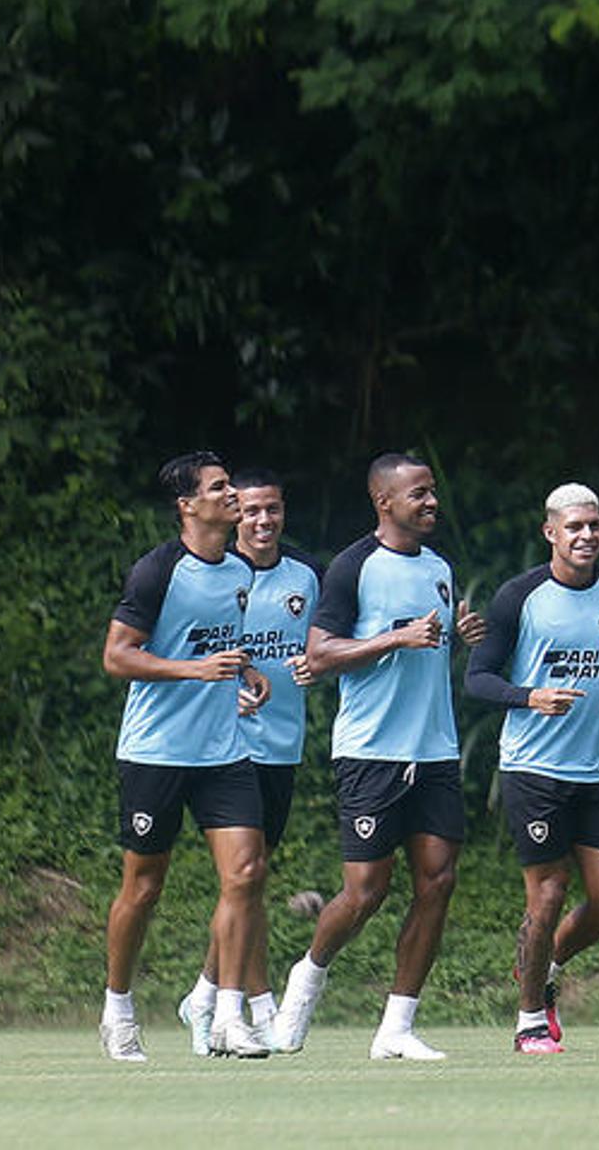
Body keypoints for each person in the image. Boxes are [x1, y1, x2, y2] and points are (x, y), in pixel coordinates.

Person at [271, 453, 487, 1060]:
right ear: (383, 502)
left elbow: (427, 646)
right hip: (371, 751)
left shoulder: (441, 567)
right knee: (365, 891)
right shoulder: (353, 566)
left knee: (438, 881)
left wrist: (458, 637)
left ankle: (396, 1027)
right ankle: (306, 977)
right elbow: (318, 654)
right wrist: (396, 636)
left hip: (435, 750)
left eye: (433, 491)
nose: (431, 502)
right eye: (417, 493)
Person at [100, 452, 270, 1062]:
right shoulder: (156, 572)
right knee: (143, 888)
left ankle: (228, 1016)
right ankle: (118, 1009)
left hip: (222, 751)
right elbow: (118, 656)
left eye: (232, 485)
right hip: (155, 753)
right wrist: (194, 671)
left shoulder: (240, 572)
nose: (234, 496)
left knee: (246, 874)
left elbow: (219, 643)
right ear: (188, 505)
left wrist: (245, 672)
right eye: (220, 488)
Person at [466, 483, 599, 1054]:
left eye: (594, 526)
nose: (587, 536)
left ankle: (542, 965)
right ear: (551, 533)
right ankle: (529, 1022)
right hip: (533, 769)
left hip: (598, 771)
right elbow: (478, 679)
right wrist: (530, 697)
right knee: (546, 894)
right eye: (574, 528)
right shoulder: (519, 597)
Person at [176, 468, 318, 1056]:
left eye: (273, 510)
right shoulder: (218, 578)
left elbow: (325, 642)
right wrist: (223, 688)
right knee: (246, 877)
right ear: (236, 514)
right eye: (252, 510)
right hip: (226, 749)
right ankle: (246, 1007)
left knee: (250, 884)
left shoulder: (307, 577)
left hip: (283, 745)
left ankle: (205, 994)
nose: (263, 521)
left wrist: (319, 664)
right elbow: (188, 650)